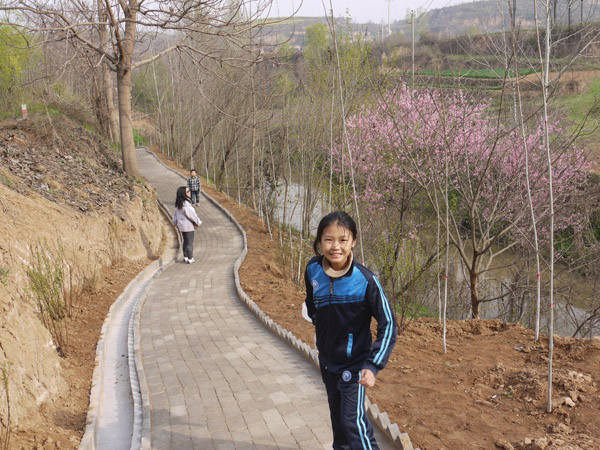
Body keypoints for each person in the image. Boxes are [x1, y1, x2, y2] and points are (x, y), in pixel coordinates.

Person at [304, 211, 397, 450]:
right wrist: (321, 330)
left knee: (353, 422)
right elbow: (312, 304)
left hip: (354, 365)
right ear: (320, 241)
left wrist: (373, 364)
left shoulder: (365, 280)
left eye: (343, 240)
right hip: (327, 362)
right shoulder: (313, 269)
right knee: (339, 421)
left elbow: (389, 324)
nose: (335, 246)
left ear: (354, 241)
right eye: (328, 239)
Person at [173, 186, 201, 264]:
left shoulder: (179, 205)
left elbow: (175, 216)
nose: (190, 193)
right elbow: (192, 216)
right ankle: (190, 258)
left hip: (181, 226)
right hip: (188, 226)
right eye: (188, 192)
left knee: (185, 241)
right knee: (190, 242)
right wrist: (198, 222)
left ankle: (185, 256)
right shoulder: (187, 205)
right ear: (183, 194)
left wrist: (174, 223)